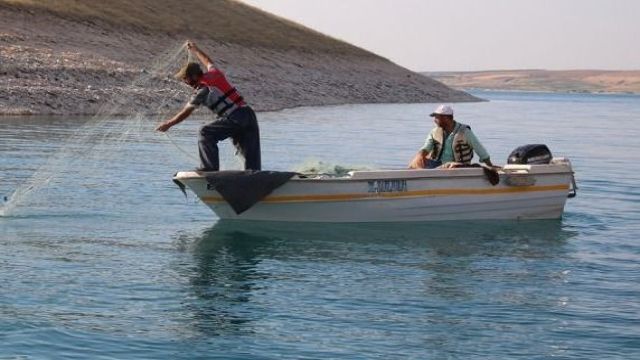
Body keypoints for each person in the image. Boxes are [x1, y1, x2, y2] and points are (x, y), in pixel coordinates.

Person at [156, 41, 261, 171]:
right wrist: (195, 50)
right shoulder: (215, 73)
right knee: (251, 163)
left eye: (186, 79)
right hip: (248, 115)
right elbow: (207, 61)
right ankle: (256, 180)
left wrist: (168, 124)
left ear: (194, 76)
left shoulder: (203, 89)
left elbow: (186, 112)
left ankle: (209, 171)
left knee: (205, 132)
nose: (186, 82)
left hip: (236, 118)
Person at [408, 104, 492, 169]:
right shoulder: (434, 132)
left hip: (458, 166)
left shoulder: (465, 132)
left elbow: (480, 149)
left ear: (445, 118)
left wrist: (490, 166)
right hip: (438, 165)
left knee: (450, 165)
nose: (434, 120)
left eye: (437, 117)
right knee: (415, 162)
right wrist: (420, 156)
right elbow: (426, 147)